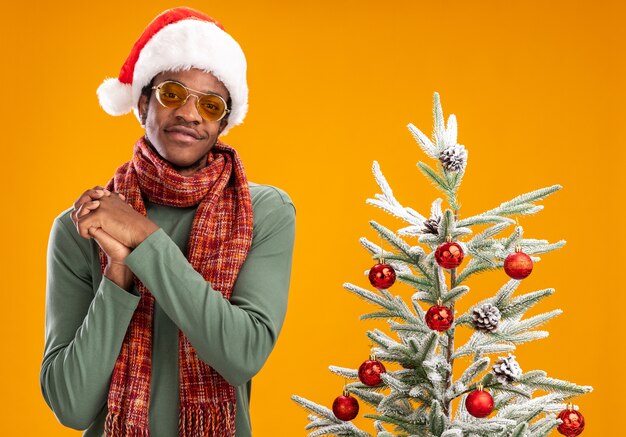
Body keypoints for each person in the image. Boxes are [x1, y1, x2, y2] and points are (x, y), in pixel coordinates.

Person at [40, 7, 295, 437]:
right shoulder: (81, 227)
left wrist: (142, 236)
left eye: (211, 105)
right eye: (173, 94)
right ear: (143, 102)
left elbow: (241, 354)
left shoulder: (264, 211)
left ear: (223, 123)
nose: (191, 114)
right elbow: (71, 405)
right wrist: (118, 270)